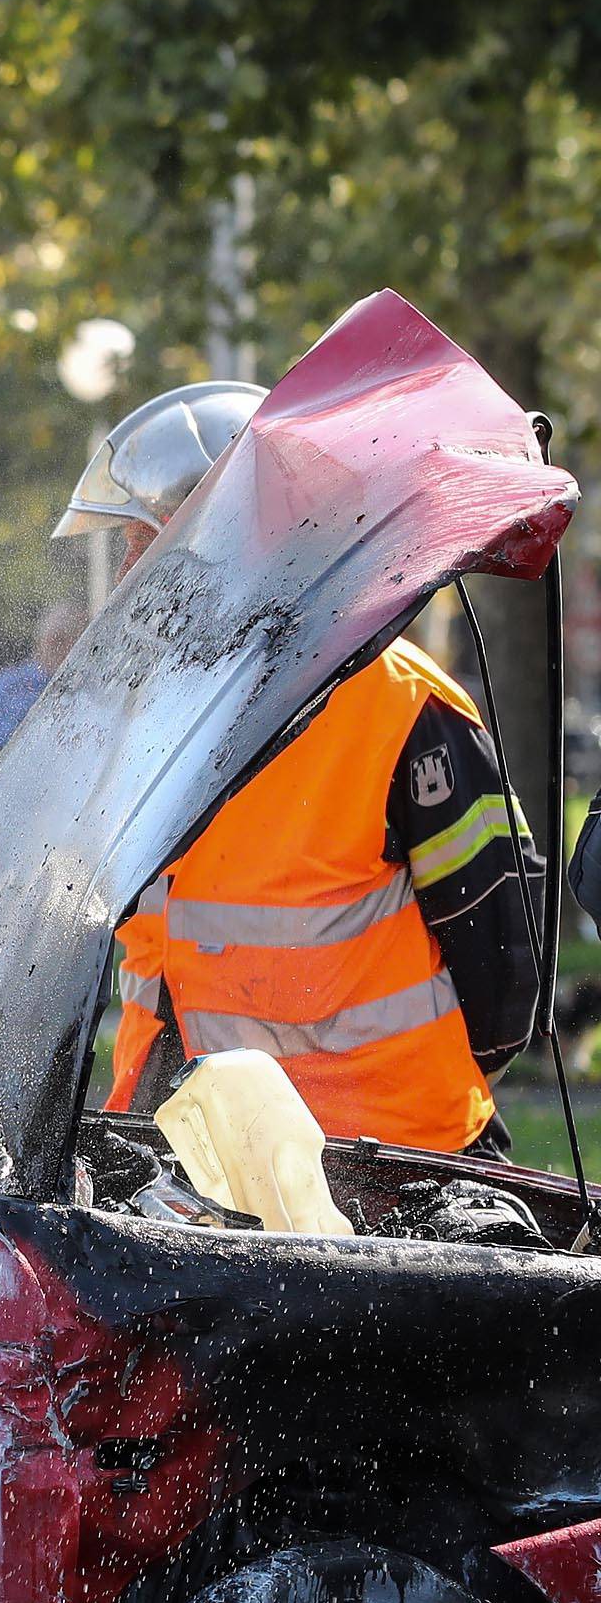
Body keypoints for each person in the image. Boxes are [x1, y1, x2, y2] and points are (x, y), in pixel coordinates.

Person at [59, 380, 544, 1154]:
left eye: (141, 544)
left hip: (396, 1169)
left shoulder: (400, 704)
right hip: (197, 1164)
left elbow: (506, 967)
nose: (125, 578)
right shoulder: (142, 724)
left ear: (226, 538)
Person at [0, 603, 82, 775]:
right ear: (41, 640)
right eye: (56, 638)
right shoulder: (10, 687)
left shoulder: (91, 688)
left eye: (70, 638)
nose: (60, 645)